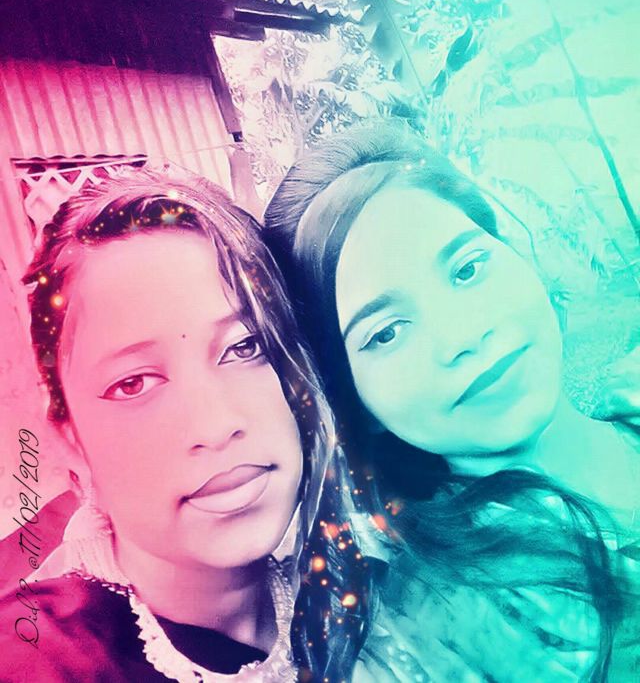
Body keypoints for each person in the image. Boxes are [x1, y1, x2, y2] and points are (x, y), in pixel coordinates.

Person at [264, 123, 640, 682]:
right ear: (354, 402)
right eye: (386, 333)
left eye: (467, 268)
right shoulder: (431, 633)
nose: (461, 335)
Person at [0, 165, 373, 682]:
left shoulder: (373, 589)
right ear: (71, 440)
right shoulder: (36, 659)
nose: (215, 426)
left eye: (245, 346)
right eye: (134, 383)